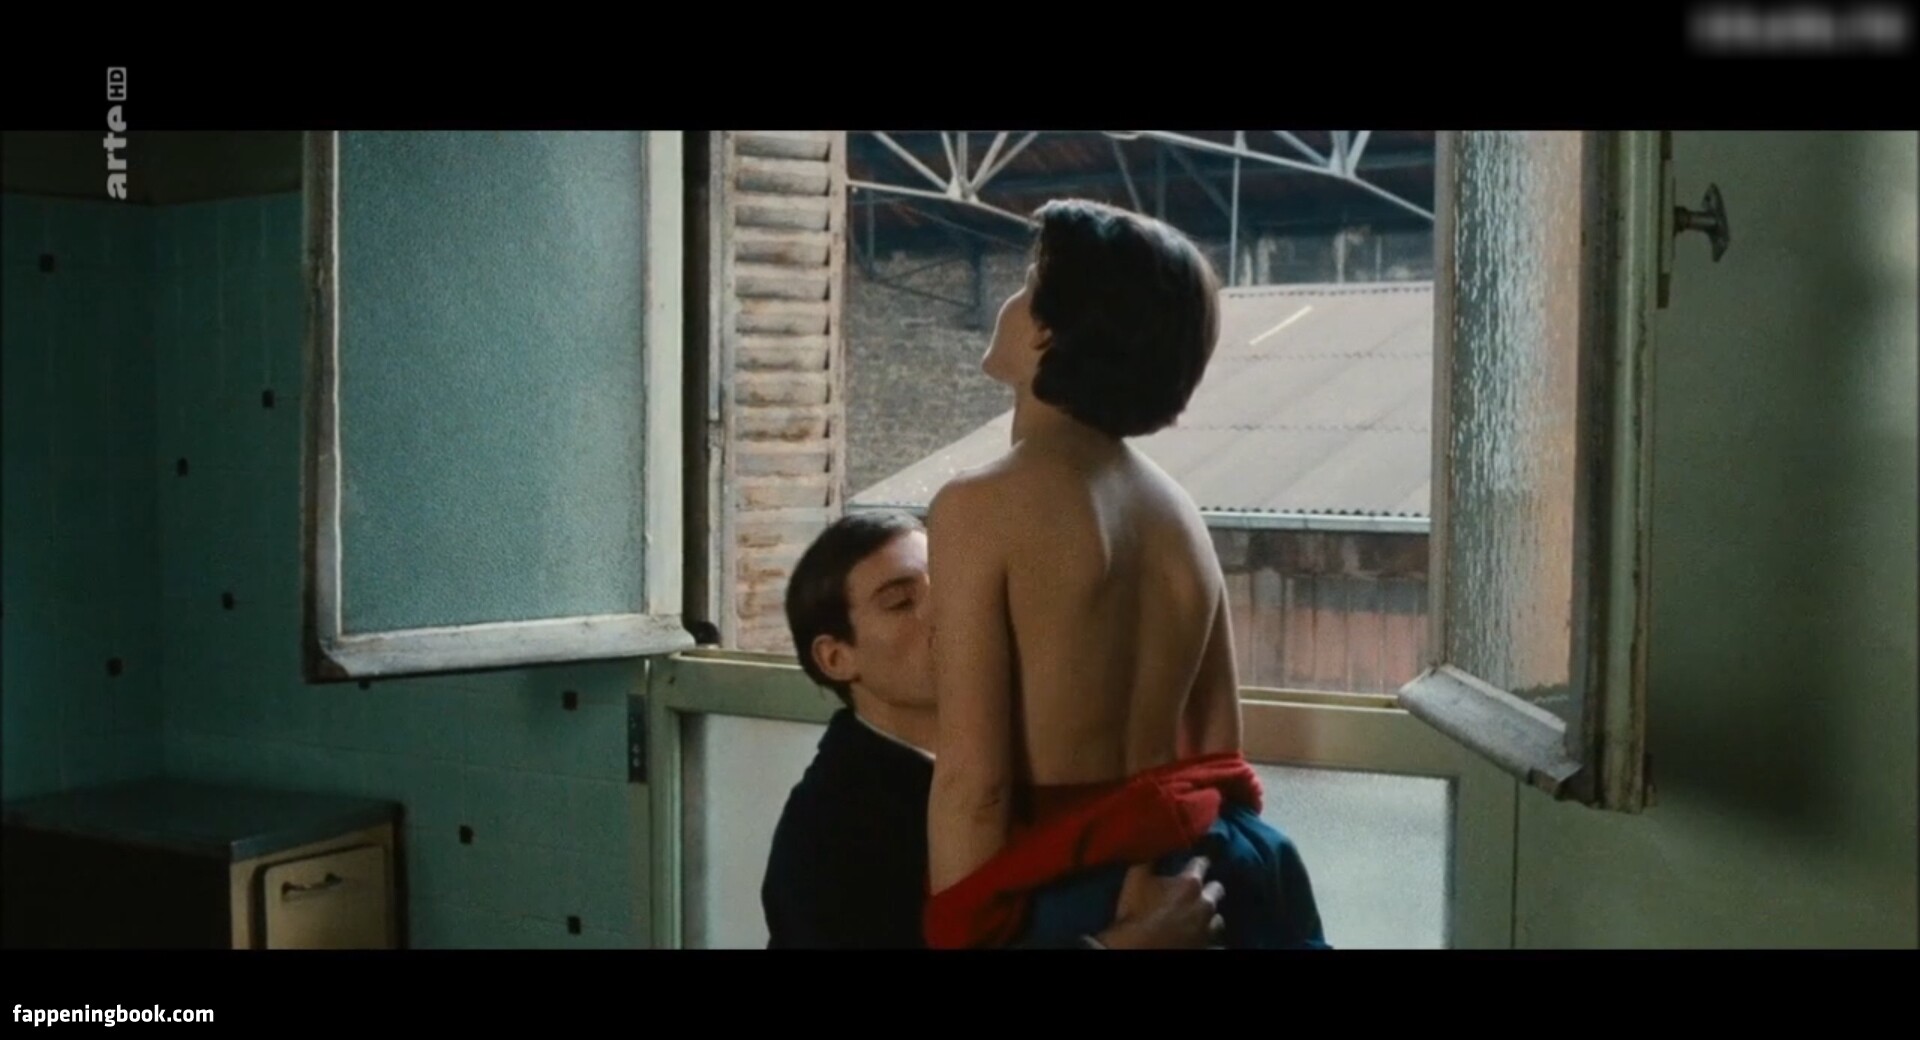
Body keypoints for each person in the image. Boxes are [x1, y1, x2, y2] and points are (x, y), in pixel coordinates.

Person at [922, 198, 1329, 950]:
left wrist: (963, 933)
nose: (1011, 300)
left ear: (1048, 330)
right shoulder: (1178, 514)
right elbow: (1219, 749)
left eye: (1028, 282)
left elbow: (975, 784)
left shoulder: (977, 507)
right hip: (1214, 868)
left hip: (1073, 887)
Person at [761, 511, 1227, 949]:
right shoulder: (825, 832)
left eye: (950, 585)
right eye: (902, 603)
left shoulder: (1038, 749)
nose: (948, 610)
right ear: (837, 658)